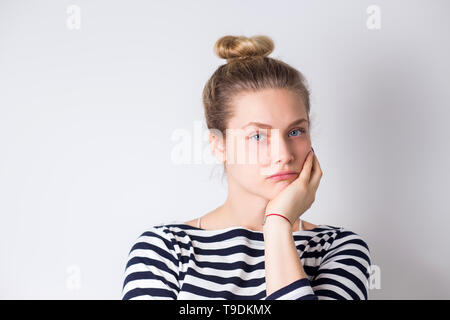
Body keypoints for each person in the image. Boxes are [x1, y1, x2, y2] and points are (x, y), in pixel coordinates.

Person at [121, 35, 372, 300]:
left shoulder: (338, 248)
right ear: (219, 145)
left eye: (296, 131)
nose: (284, 155)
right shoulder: (164, 250)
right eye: (258, 136)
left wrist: (277, 224)